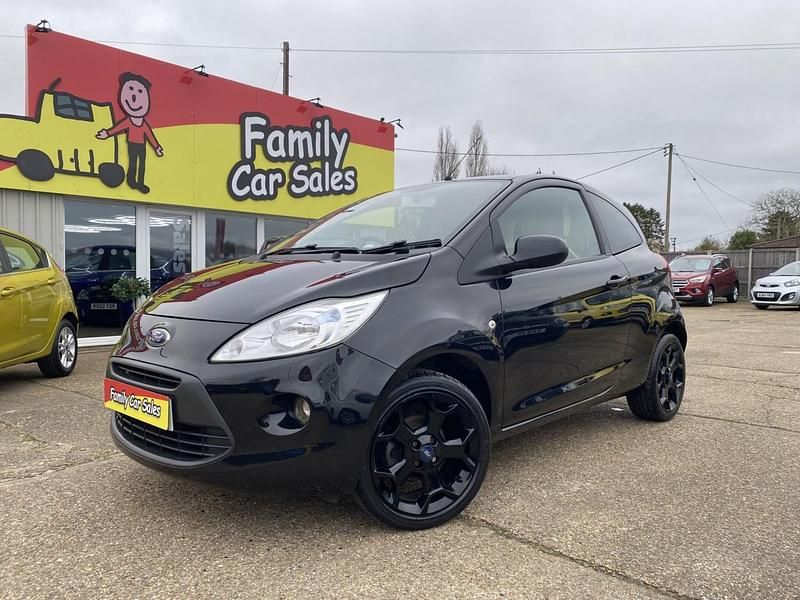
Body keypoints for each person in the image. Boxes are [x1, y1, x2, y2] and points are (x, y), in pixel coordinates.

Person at [96, 72, 164, 193]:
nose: (134, 97)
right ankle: (131, 180)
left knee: (142, 164)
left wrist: (157, 147)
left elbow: (150, 136)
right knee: (133, 162)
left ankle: (140, 182)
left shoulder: (143, 124)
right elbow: (118, 128)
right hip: (132, 144)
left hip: (142, 145)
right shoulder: (128, 121)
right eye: (130, 90)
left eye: (140, 92)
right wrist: (107, 133)